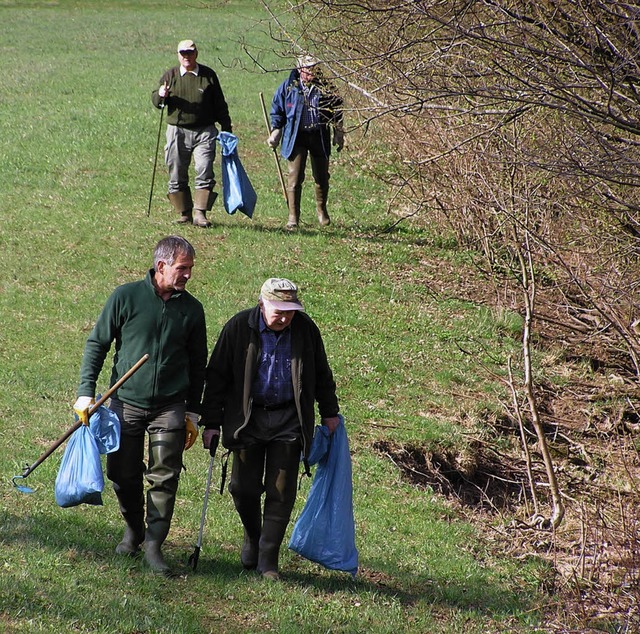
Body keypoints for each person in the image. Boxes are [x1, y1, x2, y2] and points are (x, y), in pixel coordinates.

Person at [73, 235, 207, 577]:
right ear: (161, 266)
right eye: (183, 268)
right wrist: (86, 394)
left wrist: (192, 411)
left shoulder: (192, 310)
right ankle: (134, 529)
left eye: (190, 268)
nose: (188, 275)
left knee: (165, 475)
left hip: (170, 406)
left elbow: (198, 364)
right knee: (121, 471)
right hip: (125, 401)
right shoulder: (125, 297)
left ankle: (153, 545)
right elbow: (97, 344)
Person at [199, 278, 341, 580]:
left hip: (289, 420)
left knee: (281, 490)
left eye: (290, 311)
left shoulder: (305, 330)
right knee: (243, 487)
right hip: (247, 420)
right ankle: (254, 535)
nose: (285, 317)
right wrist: (211, 422)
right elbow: (217, 377)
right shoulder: (238, 327)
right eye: (279, 310)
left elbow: (321, 372)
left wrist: (330, 412)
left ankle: (268, 559)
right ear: (262, 303)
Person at [152, 39, 233, 228]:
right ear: (178, 55)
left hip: (205, 131)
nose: (186, 56)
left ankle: (200, 213)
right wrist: (161, 95)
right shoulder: (170, 75)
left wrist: (227, 127)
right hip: (177, 131)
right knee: (176, 170)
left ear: (196, 53)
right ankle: (184, 212)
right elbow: (156, 101)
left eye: (190, 53)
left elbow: (220, 104)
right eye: (183, 53)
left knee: (204, 169)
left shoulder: (208, 75)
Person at [268, 55, 344, 230]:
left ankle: (322, 211)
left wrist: (338, 133)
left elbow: (337, 111)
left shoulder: (327, 88)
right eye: (308, 70)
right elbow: (277, 112)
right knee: (295, 178)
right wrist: (275, 132)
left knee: (322, 177)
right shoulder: (288, 87)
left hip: (319, 135)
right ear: (300, 70)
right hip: (296, 137)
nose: (311, 73)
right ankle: (293, 217)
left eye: (315, 69)